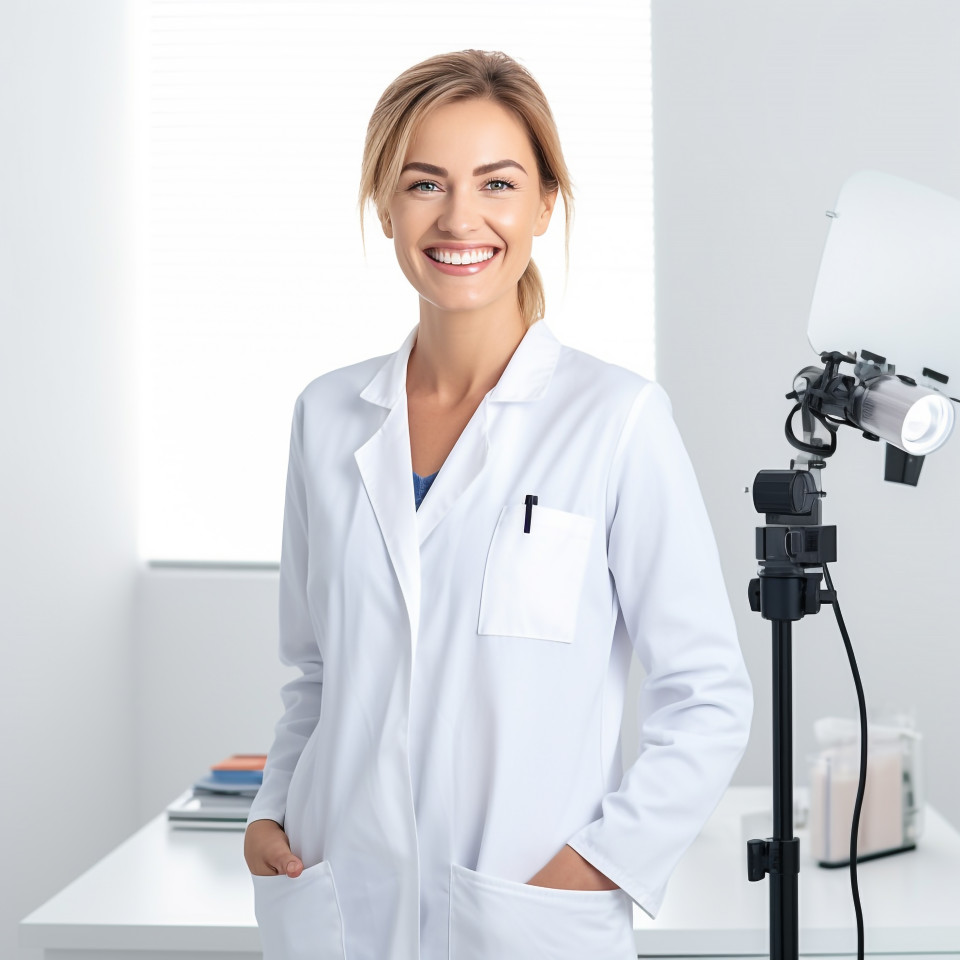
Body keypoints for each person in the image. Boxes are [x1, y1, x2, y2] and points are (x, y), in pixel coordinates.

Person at [243, 49, 753, 960]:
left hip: (525, 920)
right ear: (384, 204)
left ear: (546, 203)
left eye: (498, 183)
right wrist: (274, 809)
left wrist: (597, 865)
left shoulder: (617, 420)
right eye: (424, 183)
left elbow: (707, 695)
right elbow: (315, 675)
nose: (460, 218)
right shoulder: (326, 416)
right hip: (337, 908)